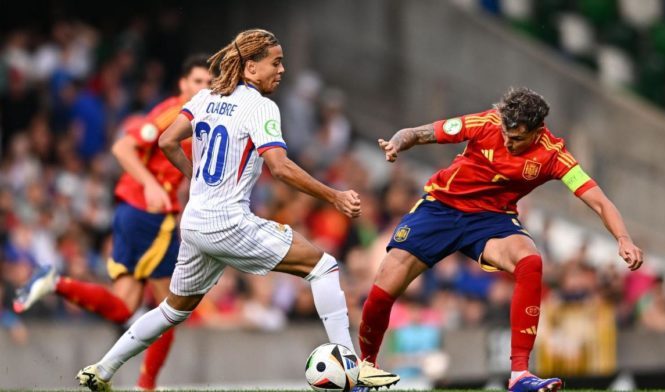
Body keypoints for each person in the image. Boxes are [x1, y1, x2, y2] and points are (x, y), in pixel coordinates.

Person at [75, 29, 399, 392]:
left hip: (196, 223)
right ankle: (353, 374)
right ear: (250, 67)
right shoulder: (260, 107)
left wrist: (196, 180)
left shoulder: (205, 97)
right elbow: (279, 167)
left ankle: (101, 370)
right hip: (229, 221)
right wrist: (334, 196)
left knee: (172, 310)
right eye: (274, 62)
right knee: (323, 267)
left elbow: (167, 141)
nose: (282, 69)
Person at [357, 87, 644, 392]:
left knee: (530, 260)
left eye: (517, 138)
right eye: (507, 133)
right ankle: (366, 368)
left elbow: (598, 201)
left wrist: (623, 239)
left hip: (491, 220)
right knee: (385, 283)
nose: (508, 141)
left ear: (537, 131)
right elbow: (417, 133)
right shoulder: (486, 123)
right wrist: (397, 144)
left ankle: (520, 375)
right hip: (441, 208)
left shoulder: (554, 155)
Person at [13, 55, 212, 390]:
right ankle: (146, 385)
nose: (203, 88)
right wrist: (150, 184)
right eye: (197, 81)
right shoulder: (174, 112)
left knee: (124, 308)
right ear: (183, 84)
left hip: (132, 213)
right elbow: (122, 147)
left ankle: (54, 283)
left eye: (209, 83)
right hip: (148, 215)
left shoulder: (199, 118)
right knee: (172, 308)